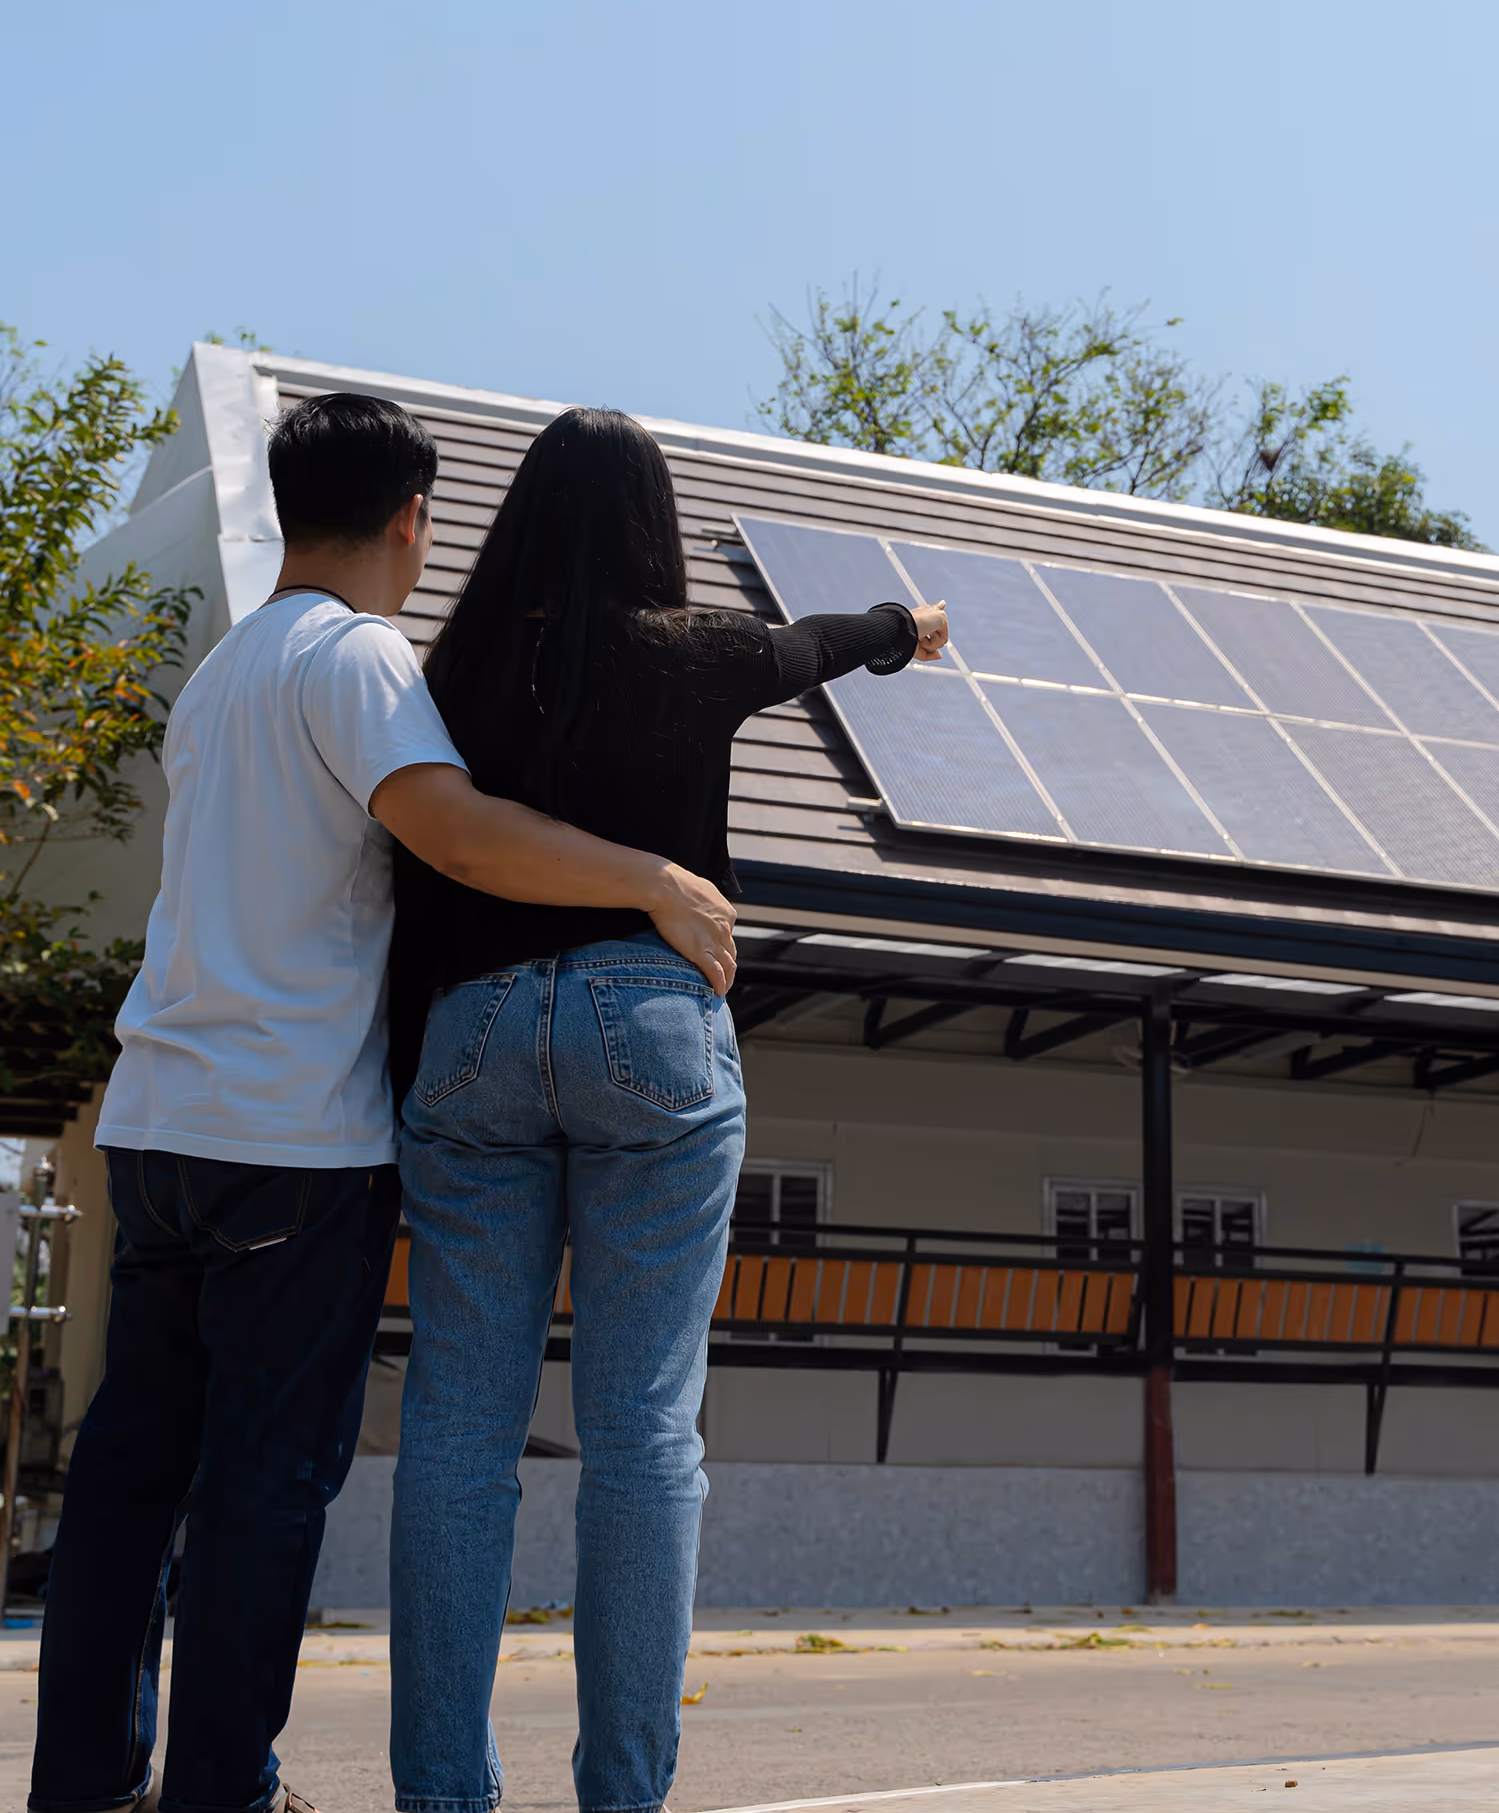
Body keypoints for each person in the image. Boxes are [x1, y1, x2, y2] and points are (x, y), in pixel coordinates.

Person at [30, 393, 737, 1813]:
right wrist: (652, 879)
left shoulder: (220, 676)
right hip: (286, 1143)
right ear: (410, 518)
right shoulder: (359, 661)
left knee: (127, 1480)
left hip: (156, 1120)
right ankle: (224, 1789)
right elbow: (455, 834)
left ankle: (87, 1780)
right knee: (263, 1486)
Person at [386, 406, 946, 1813]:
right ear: (652, 521)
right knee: (641, 1432)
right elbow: (823, 643)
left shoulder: (441, 674)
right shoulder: (691, 656)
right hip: (650, 1023)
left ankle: (443, 1794)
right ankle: (621, 1796)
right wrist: (911, 621)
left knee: (460, 1429)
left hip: (472, 1033)